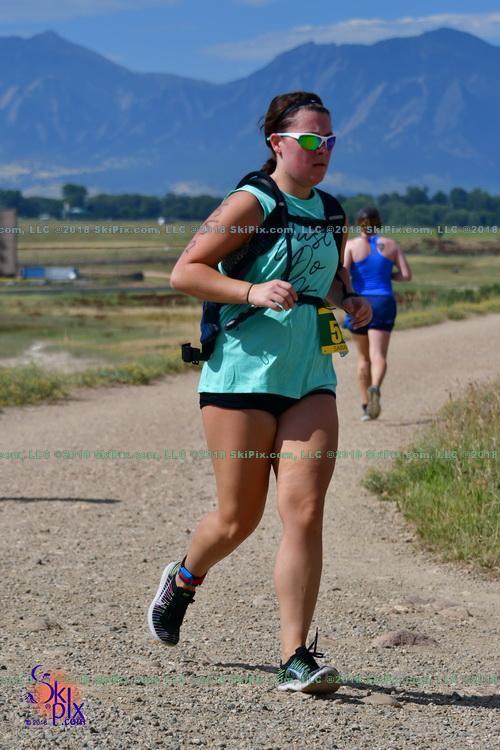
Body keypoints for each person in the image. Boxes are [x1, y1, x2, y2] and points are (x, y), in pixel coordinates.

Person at [147, 91, 371, 694]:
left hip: (310, 379)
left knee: (305, 511)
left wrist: (347, 300)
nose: (322, 151)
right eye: (310, 140)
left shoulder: (330, 211)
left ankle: (295, 655)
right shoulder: (253, 201)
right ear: (277, 143)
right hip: (241, 380)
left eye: (329, 141)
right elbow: (186, 271)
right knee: (237, 519)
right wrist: (251, 292)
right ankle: (183, 580)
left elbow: (326, 279)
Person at [343, 207, 412, 421]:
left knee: (363, 358)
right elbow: (406, 275)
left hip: (359, 301)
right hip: (383, 301)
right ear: (379, 222)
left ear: (358, 223)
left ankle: (366, 406)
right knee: (378, 355)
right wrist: (387, 276)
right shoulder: (391, 245)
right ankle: (375, 386)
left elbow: (343, 272)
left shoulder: (352, 246)